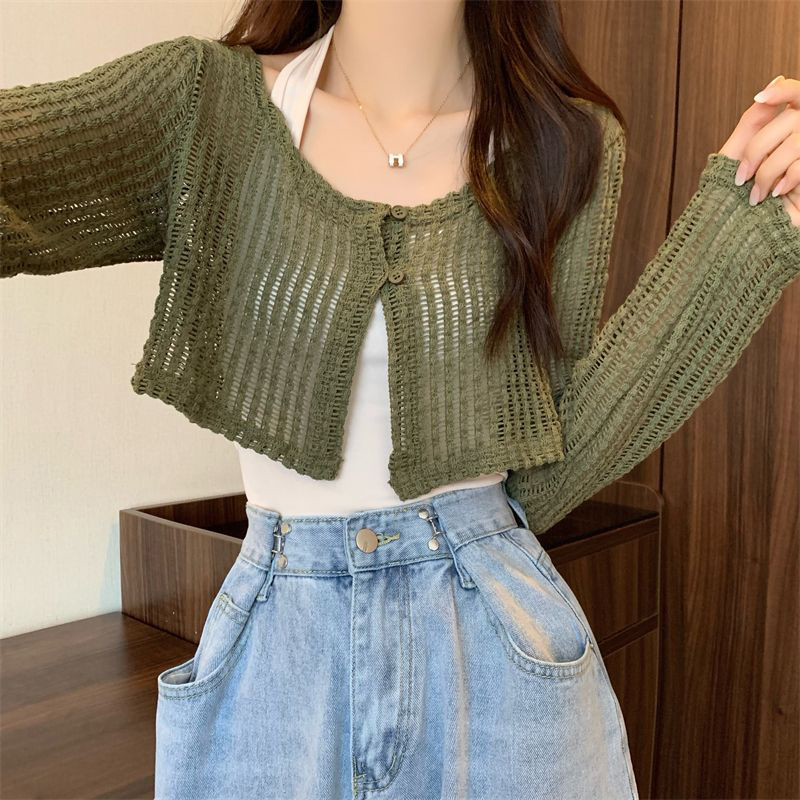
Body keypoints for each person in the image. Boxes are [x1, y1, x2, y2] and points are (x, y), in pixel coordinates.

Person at [1, 2, 798, 798]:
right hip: (281, 651)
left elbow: (549, 461)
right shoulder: (204, 107)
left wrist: (746, 228)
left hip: (497, 654)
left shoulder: (565, 143)